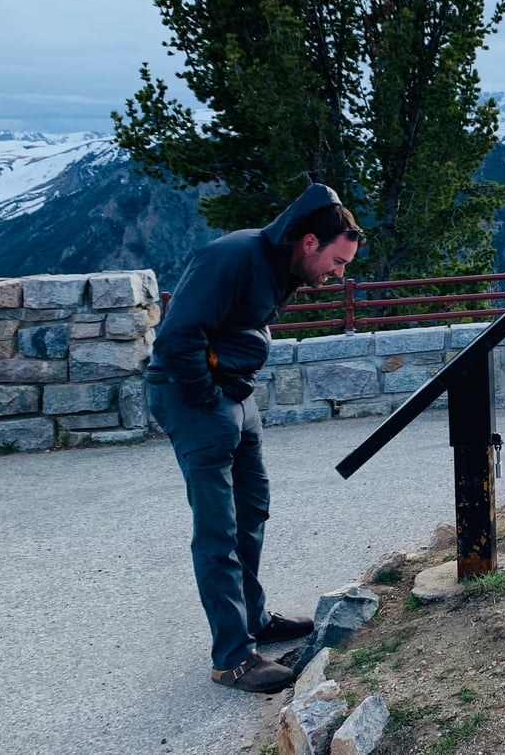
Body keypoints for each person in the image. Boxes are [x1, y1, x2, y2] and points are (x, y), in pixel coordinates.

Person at [145, 183, 364, 693]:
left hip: (233, 396)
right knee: (218, 529)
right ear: (309, 242)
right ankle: (232, 658)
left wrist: (229, 393)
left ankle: (253, 619)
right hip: (196, 400)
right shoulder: (233, 257)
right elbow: (176, 338)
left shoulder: (283, 266)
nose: (339, 274)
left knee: (253, 509)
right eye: (337, 261)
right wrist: (208, 398)